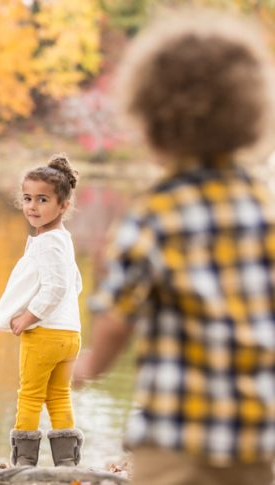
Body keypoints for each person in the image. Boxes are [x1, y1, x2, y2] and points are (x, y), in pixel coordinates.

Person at [73, 8, 275, 485]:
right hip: (258, 431)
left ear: (151, 118)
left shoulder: (154, 213)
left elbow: (119, 314)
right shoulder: (264, 208)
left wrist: (90, 365)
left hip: (177, 434)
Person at [0, 155, 83, 467]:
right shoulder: (63, 240)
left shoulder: (46, 243)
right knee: (59, 396)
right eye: (28, 198)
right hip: (70, 334)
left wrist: (27, 317)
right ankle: (67, 464)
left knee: (29, 396)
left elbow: (56, 288)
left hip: (44, 334)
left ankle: (24, 464)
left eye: (42, 200)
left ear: (63, 206)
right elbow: (75, 284)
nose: (32, 206)